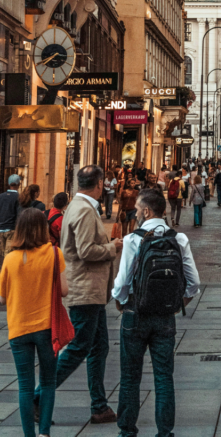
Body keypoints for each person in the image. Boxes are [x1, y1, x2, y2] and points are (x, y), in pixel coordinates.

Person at [34, 165, 123, 425]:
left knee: (99, 347)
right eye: (103, 183)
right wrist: (112, 247)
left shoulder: (76, 205)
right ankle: (37, 397)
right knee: (78, 347)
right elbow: (86, 251)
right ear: (97, 184)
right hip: (85, 291)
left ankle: (99, 406)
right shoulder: (84, 210)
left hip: (92, 292)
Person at [112, 187, 200, 437]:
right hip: (164, 318)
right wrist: (176, 303)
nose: (136, 213)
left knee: (130, 377)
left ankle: (127, 431)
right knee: (164, 377)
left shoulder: (133, 239)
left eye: (138, 209)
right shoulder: (178, 239)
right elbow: (194, 283)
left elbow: (121, 284)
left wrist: (120, 302)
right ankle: (165, 432)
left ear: (147, 211)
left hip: (135, 315)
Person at [0, 209, 69, 437]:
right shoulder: (54, 253)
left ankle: (28, 435)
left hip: (19, 328)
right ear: (43, 229)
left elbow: (2, 297)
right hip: (47, 329)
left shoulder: (10, 259)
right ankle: (44, 433)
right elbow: (65, 291)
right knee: (48, 382)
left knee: (25, 385)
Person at [0, 173, 21, 267]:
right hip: (11, 229)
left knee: (2, 255)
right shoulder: (18, 197)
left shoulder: (1, 196)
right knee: (8, 256)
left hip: (1, 229)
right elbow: (19, 214)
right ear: (18, 184)